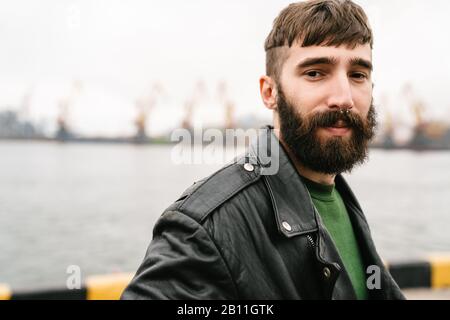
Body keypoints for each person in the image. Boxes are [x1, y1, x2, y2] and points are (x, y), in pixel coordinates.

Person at [121, 0, 405, 300]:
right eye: (315, 73)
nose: (344, 97)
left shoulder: (342, 200)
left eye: (358, 75)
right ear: (270, 93)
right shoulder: (206, 227)